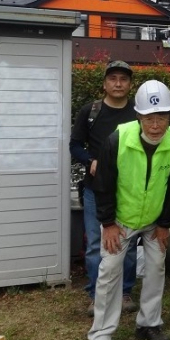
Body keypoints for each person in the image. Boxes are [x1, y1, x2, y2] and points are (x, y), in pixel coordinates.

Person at [86, 80, 170, 340]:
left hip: (155, 221)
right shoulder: (118, 139)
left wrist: (165, 224)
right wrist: (108, 223)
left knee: (156, 269)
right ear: (139, 117)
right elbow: (103, 183)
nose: (156, 125)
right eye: (149, 118)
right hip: (121, 219)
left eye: (162, 117)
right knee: (109, 272)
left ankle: (149, 323)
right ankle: (101, 335)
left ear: (169, 117)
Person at [70, 60, 138, 317]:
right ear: (104, 84)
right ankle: (95, 294)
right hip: (95, 189)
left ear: (130, 85)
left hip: (128, 189)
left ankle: (125, 291)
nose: (118, 83)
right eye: (113, 79)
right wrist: (91, 160)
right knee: (95, 242)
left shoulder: (137, 112)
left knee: (129, 242)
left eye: (123, 79)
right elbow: (75, 145)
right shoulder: (91, 111)